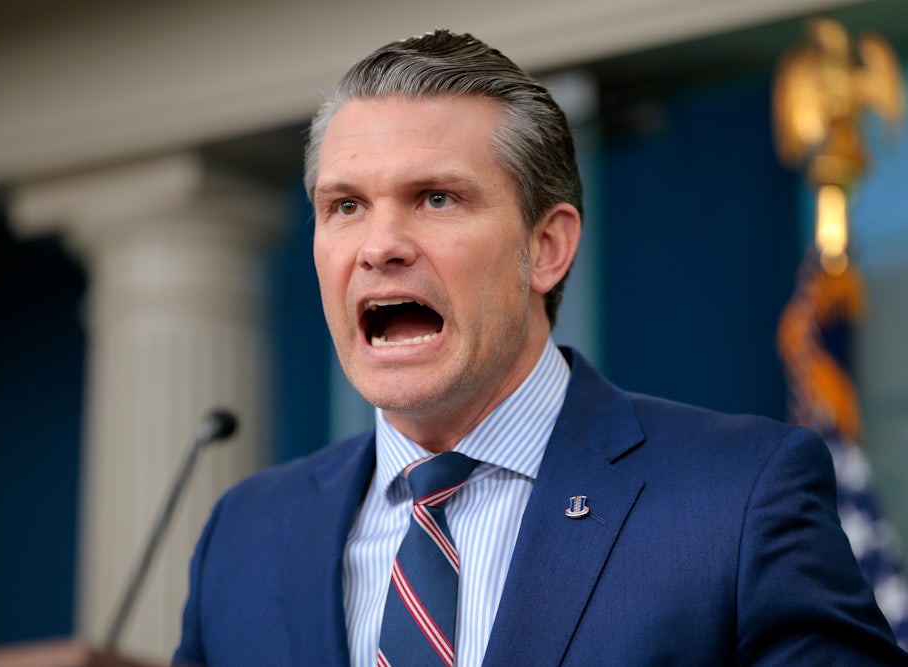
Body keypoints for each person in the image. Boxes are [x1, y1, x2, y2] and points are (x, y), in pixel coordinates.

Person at [174, 29, 908, 666]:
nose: (380, 246)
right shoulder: (243, 537)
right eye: (345, 206)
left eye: (436, 198)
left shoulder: (739, 498)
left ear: (547, 246)